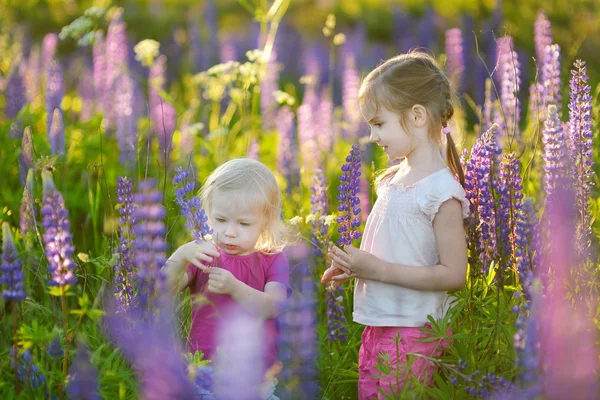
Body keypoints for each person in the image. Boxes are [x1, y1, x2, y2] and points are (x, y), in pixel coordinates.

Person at [321, 51, 470, 399]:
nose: (372, 136)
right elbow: (397, 249)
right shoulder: (392, 178)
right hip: (379, 324)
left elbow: (454, 275)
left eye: (378, 123)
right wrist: (356, 269)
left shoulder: (440, 191)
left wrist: (377, 270)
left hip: (416, 330)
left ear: (417, 116)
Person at [163, 158, 292, 397]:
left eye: (243, 223)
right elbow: (161, 291)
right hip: (204, 367)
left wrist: (235, 288)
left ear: (265, 223)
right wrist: (181, 256)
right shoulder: (203, 252)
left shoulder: (272, 259)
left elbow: (273, 306)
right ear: (208, 214)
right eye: (221, 220)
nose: (229, 232)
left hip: (255, 371)